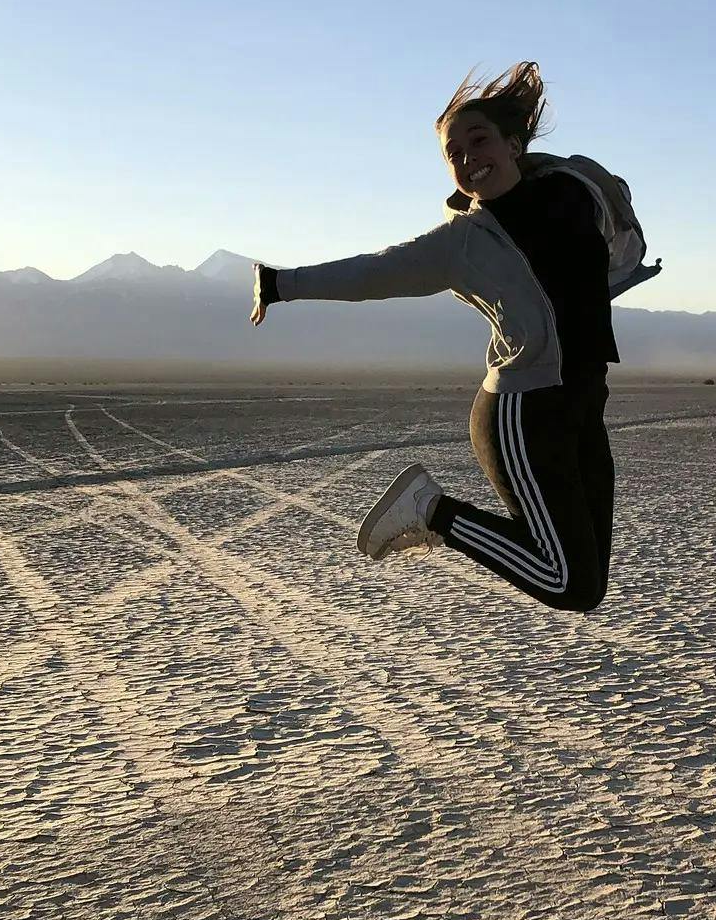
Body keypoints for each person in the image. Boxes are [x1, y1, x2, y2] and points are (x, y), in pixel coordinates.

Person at [250, 62, 658, 612]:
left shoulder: (574, 188)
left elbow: (619, 238)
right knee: (564, 582)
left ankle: (437, 515)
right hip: (522, 411)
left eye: (478, 140)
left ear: (513, 145)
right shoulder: (462, 243)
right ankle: (431, 511)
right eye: (454, 155)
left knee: (587, 584)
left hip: (584, 403)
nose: (468, 159)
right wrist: (280, 284)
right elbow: (375, 271)